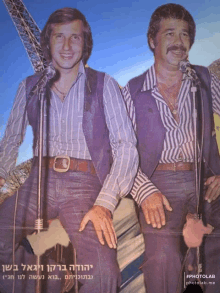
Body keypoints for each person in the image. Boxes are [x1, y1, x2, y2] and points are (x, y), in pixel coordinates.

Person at [0, 7, 138, 293]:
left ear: (84, 44)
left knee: (103, 273)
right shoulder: (28, 87)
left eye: (74, 38)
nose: (65, 46)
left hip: (84, 186)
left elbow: (126, 145)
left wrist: (104, 203)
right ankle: (52, 276)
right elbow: (12, 139)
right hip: (37, 183)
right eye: (58, 37)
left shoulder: (104, 85)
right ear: (47, 42)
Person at [123, 3, 220, 293]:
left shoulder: (205, 79)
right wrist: (143, 191)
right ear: (153, 40)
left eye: (185, 34)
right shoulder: (132, 91)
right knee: (163, 260)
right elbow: (121, 152)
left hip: (207, 179)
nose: (179, 42)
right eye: (169, 33)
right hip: (158, 187)